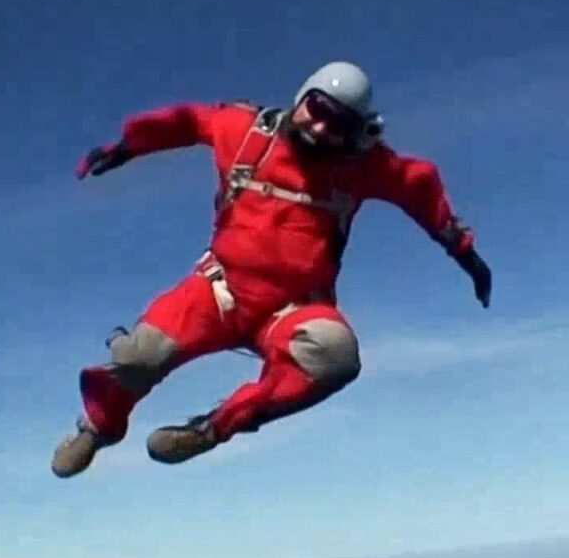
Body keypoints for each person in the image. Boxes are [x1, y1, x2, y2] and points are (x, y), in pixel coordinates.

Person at [51, 61, 492, 478]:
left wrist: (466, 256)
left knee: (335, 357)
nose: (321, 128)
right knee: (136, 357)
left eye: (339, 124)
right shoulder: (245, 132)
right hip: (219, 291)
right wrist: (126, 146)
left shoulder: (363, 165)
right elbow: (187, 121)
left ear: (357, 131)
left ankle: (214, 427)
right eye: (317, 110)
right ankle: (99, 428)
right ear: (302, 97)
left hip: (292, 308)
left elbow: (420, 187)